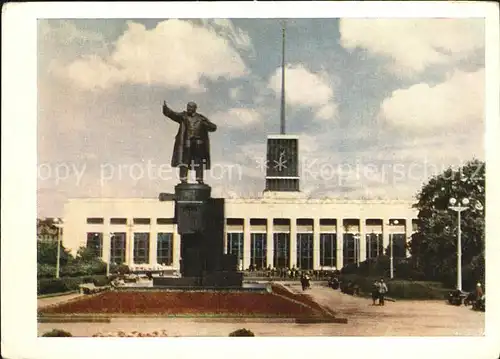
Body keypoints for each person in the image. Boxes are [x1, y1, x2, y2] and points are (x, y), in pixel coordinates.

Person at [162, 101, 217, 184]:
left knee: (199, 161)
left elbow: (213, 128)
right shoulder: (183, 116)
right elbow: (173, 115)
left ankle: (199, 179)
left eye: (191, 107)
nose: (188, 108)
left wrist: (206, 124)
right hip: (187, 143)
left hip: (198, 144)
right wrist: (166, 109)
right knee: (185, 160)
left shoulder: (200, 118)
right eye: (188, 107)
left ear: (195, 108)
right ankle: (183, 178)